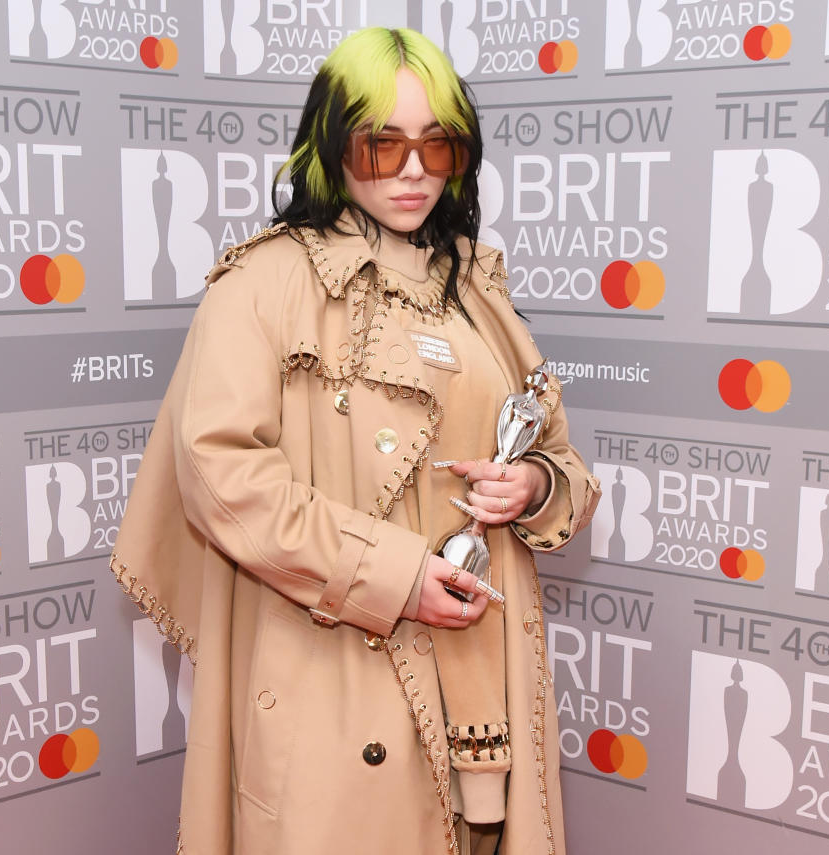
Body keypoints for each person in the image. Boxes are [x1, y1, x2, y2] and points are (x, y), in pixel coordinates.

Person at [110, 27, 600, 855]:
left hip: (481, 676)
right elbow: (219, 472)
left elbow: (558, 454)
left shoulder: (477, 286)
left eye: (437, 144)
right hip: (333, 662)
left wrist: (537, 487)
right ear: (330, 146)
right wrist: (397, 575)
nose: (414, 171)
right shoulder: (264, 283)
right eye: (382, 145)